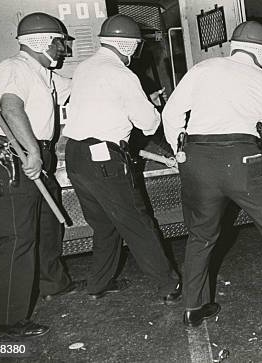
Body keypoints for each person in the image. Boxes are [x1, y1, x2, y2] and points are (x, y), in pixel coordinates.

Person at [162, 21, 262, 328]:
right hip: (244, 160)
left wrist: (179, 147)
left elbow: (171, 113)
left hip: (198, 158)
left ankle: (194, 306)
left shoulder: (202, 70)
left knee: (200, 235)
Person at [0, 12, 82, 338]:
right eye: (59, 42)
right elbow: (10, 108)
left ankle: (52, 283)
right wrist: (32, 150)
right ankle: (6, 319)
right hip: (11, 159)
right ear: (42, 42)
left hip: (30, 156)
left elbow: (79, 87)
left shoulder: (42, 74)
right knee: (17, 238)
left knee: (46, 226)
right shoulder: (14, 68)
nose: (63, 49)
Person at [63, 15, 181, 303]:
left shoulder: (85, 68)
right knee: (138, 222)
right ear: (127, 45)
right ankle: (169, 285)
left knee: (105, 225)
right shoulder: (122, 74)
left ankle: (98, 283)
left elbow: (104, 106)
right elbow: (149, 125)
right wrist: (154, 106)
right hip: (104, 158)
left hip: (76, 155)